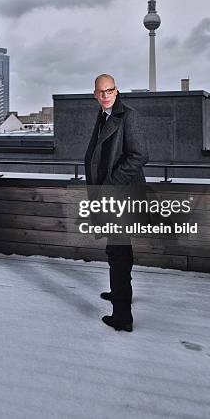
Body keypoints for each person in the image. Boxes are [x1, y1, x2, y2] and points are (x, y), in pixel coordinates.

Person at [84, 74, 148, 332]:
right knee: (117, 250)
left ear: (117, 91)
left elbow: (140, 155)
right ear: (95, 94)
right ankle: (121, 293)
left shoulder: (128, 116)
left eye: (110, 90)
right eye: (101, 92)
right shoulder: (104, 115)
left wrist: (112, 179)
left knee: (118, 253)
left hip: (121, 194)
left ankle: (122, 316)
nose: (106, 95)